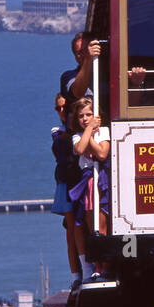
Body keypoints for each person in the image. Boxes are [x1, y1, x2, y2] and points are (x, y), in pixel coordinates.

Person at [66, 96, 112, 280]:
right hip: (86, 182)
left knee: (102, 226)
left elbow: (102, 153)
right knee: (89, 225)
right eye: (81, 116)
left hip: (100, 179)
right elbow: (80, 149)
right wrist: (89, 129)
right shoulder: (77, 136)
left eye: (89, 115)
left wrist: (91, 133)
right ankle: (95, 265)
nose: (85, 118)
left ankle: (105, 266)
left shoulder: (105, 131)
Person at [50, 94, 82, 291]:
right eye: (58, 109)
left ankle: (85, 269)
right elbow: (65, 145)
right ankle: (75, 275)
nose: (62, 112)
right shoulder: (58, 132)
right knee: (71, 231)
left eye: (65, 108)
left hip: (79, 180)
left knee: (80, 227)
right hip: (67, 183)